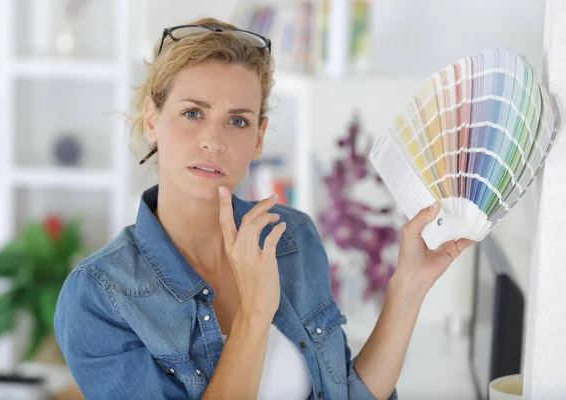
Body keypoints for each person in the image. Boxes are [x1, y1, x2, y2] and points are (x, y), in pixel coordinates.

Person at [54, 17, 474, 400]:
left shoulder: (290, 238)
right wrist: (256, 311)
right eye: (193, 113)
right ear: (152, 119)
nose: (213, 141)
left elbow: (347, 394)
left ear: (258, 137)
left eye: (237, 121)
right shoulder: (99, 296)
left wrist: (408, 288)